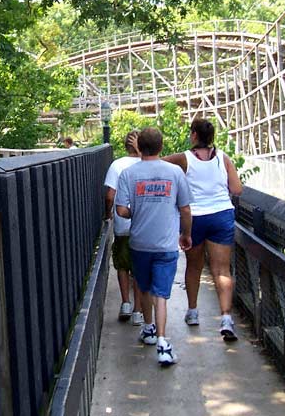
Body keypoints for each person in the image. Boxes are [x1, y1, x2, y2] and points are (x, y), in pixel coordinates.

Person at [116, 127, 192, 366]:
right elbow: (186, 209)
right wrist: (186, 234)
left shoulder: (128, 173)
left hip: (139, 242)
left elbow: (120, 210)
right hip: (166, 243)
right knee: (161, 294)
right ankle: (162, 341)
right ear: (160, 147)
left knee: (144, 287)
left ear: (141, 146)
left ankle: (148, 329)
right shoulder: (175, 172)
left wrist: (136, 210)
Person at [163, 118, 243, 341]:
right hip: (221, 215)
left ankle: (193, 311)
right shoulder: (223, 159)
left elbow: (156, 164)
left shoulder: (183, 158)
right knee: (222, 271)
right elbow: (237, 189)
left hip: (195, 218)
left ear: (194, 135)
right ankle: (226, 317)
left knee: (194, 266)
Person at [104, 131, 144, 325]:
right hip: (144, 224)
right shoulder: (149, 163)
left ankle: (125, 304)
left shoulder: (117, 165)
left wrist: (108, 214)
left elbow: (110, 195)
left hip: (122, 223)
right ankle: (138, 311)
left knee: (122, 264)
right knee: (138, 267)